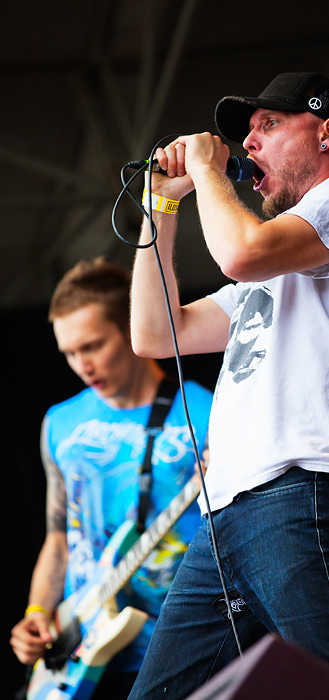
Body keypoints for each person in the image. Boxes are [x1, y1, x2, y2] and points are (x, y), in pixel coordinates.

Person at [128, 72, 329, 699]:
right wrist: (161, 207)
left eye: (270, 125)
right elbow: (155, 332)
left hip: (300, 486)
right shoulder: (271, 276)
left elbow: (241, 251)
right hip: (226, 514)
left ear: (327, 131)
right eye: (247, 134)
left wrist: (207, 169)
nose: (249, 144)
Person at [9, 258, 213, 699]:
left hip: (178, 649)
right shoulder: (59, 423)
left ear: (131, 328)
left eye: (93, 346)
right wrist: (38, 610)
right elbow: (58, 538)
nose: (81, 364)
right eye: (69, 352)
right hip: (80, 647)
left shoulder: (206, 414)